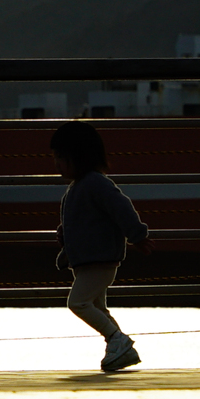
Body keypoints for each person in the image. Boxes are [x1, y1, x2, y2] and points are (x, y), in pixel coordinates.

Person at [51, 121, 155, 372]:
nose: (56, 164)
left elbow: (121, 207)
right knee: (97, 307)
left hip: (99, 261)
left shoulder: (95, 184)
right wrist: (65, 237)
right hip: (89, 261)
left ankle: (118, 340)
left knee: (78, 302)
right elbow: (82, 221)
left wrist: (137, 235)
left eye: (60, 158)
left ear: (77, 157)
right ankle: (119, 347)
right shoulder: (78, 188)